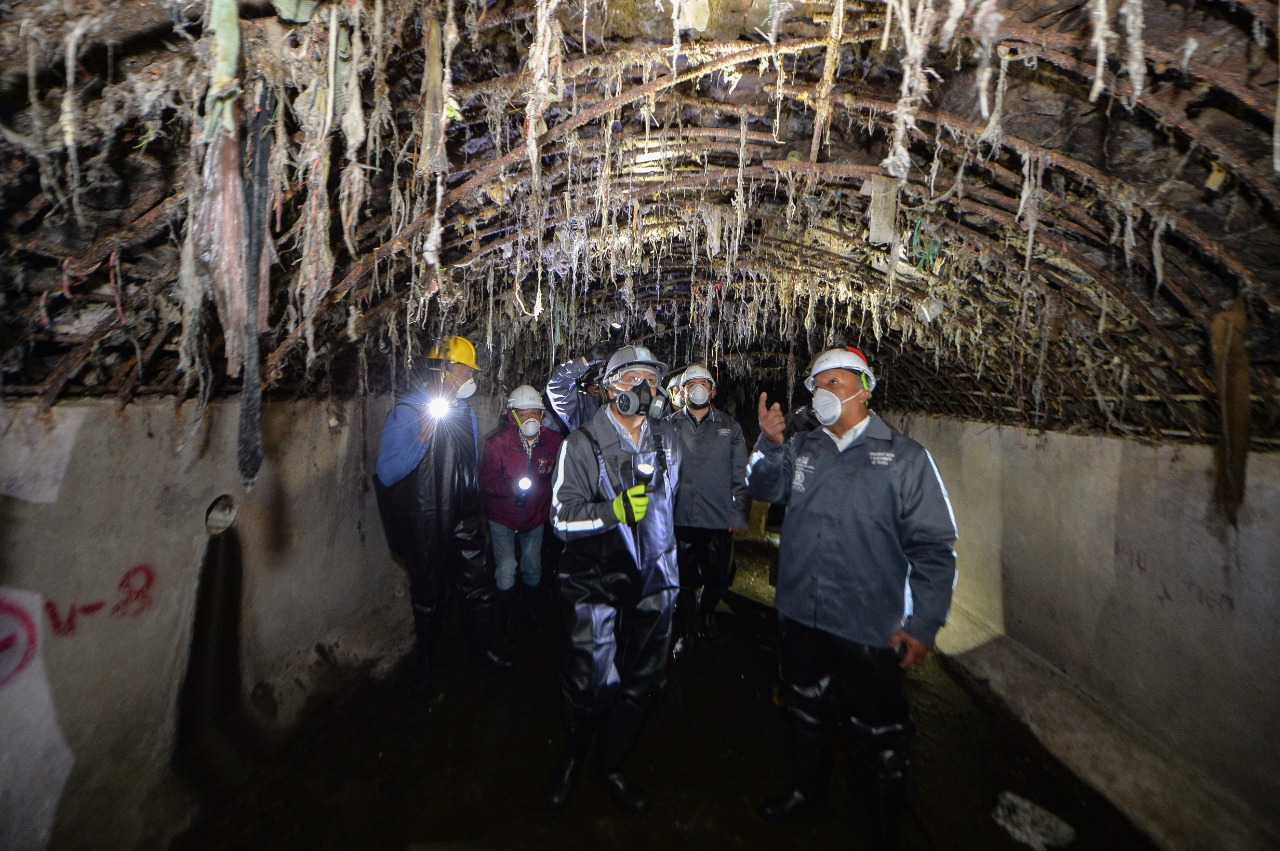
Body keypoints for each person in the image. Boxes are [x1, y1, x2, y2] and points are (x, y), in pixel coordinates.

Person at [747, 346, 957, 851]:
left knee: (879, 732)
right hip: (802, 613)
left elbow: (933, 547)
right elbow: (761, 485)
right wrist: (770, 442)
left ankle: (885, 830)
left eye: (834, 384)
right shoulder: (804, 449)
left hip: (868, 624)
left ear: (865, 387)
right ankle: (807, 794)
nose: (823, 394)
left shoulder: (905, 458)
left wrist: (924, 623)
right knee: (805, 710)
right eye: (817, 386)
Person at [545, 344, 681, 815]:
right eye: (633, 379)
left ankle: (611, 764)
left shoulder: (667, 440)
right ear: (609, 389)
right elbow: (561, 520)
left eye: (651, 380)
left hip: (655, 577)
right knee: (593, 679)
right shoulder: (580, 444)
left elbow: (670, 504)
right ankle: (572, 758)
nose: (644, 390)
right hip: (594, 578)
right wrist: (612, 513)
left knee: (643, 680)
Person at [373, 335, 513, 696]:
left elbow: (470, 465)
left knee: (477, 584)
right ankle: (425, 662)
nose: (471, 377)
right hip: (427, 518)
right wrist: (421, 437)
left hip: (465, 514)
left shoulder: (464, 413)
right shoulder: (407, 412)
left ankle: (482, 650)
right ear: (443, 371)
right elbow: (387, 473)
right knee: (429, 593)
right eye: (466, 370)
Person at [667, 364, 749, 652]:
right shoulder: (669, 425)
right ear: (682, 390)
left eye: (704, 383)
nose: (698, 388)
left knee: (717, 579)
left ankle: (705, 614)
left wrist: (738, 512)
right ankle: (689, 631)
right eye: (692, 383)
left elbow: (740, 472)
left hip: (717, 518)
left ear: (713, 391)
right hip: (680, 518)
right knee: (684, 580)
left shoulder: (730, 427)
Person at [479, 384, 563, 647]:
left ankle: (531, 613)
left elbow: (560, 477)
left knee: (533, 567)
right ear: (512, 415)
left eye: (535, 414)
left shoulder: (553, 441)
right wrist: (510, 488)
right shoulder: (497, 444)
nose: (531, 420)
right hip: (502, 516)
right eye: (524, 414)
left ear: (542, 415)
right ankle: (505, 621)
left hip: (535, 516)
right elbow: (485, 481)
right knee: (506, 569)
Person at [546, 342, 611, 432]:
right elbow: (557, 386)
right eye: (595, 387)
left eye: (603, 388)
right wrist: (587, 359)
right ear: (584, 386)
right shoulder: (578, 411)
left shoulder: (618, 401)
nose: (598, 391)